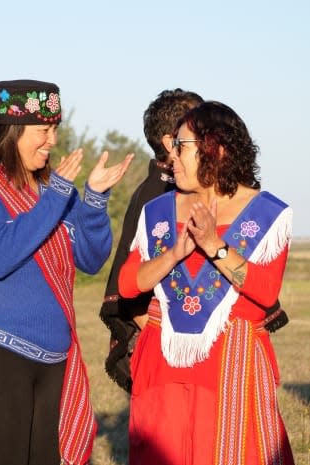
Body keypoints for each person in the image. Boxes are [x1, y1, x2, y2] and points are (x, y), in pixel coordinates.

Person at [0, 79, 133, 465]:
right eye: (42, 130)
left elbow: (90, 257)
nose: (51, 140)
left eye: (54, 129)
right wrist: (57, 197)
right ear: (12, 130)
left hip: (53, 356)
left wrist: (94, 202)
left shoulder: (52, 187)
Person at [119, 101, 295, 464]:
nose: (172, 157)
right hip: (162, 366)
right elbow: (126, 285)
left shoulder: (267, 213)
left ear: (217, 150)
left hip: (230, 367)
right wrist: (172, 256)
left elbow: (264, 292)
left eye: (181, 147)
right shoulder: (159, 211)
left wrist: (215, 246)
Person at [100, 89, 203, 393]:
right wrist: (176, 345)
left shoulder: (183, 190)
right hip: (165, 354)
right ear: (173, 142)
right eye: (201, 130)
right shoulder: (155, 198)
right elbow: (132, 295)